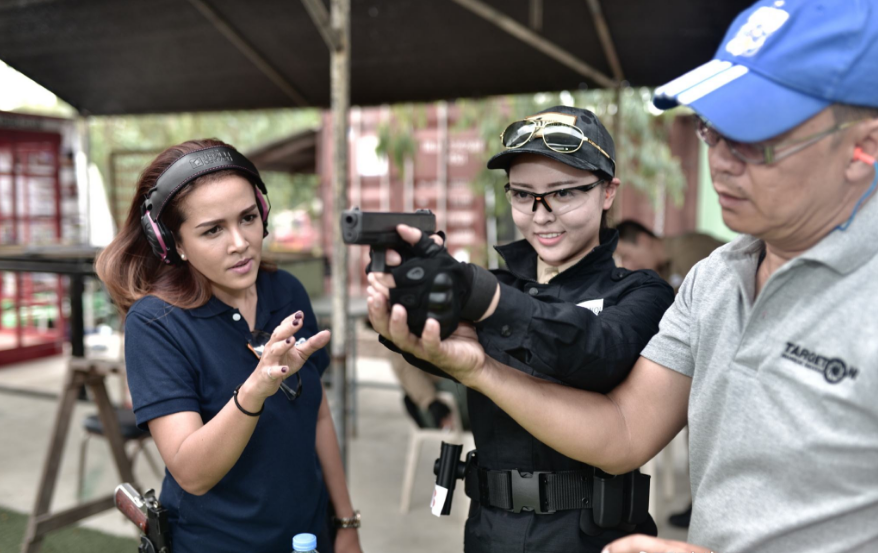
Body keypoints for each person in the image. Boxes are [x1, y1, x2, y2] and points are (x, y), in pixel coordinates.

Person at [368, 1, 878, 552]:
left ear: (862, 148)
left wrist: (489, 305)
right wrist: (470, 360)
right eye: (711, 130)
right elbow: (624, 431)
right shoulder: (716, 280)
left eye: (756, 135)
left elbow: (598, 350)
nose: (722, 161)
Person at [367, 105, 674, 552]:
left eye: (564, 193)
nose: (541, 213)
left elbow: (599, 353)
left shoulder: (642, 293)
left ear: (608, 192)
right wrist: (410, 298)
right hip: (491, 533)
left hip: (596, 540)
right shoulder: (499, 286)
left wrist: (485, 299)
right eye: (523, 194)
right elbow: (439, 344)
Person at [96, 139, 362, 553]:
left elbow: (319, 413)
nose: (239, 242)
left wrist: (345, 521)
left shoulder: (286, 292)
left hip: (310, 537)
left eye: (248, 218)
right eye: (213, 230)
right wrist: (257, 387)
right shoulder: (156, 324)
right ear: (174, 243)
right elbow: (191, 472)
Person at [614, 220, 723, 527]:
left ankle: (702, 501)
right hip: (693, 360)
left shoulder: (694, 251)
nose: (627, 264)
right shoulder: (658, 273)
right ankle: (699, 499)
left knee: (701, 418)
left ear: (645, 240)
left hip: (717, 358)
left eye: (627, 254)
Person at [614, 220, 723, 291]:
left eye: (625, 256)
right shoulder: (663, 274)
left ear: (643, 240)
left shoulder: (687, 248)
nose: (627, 266)